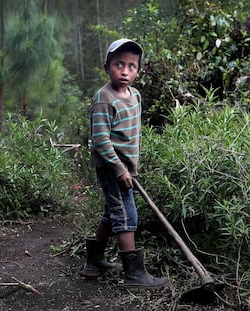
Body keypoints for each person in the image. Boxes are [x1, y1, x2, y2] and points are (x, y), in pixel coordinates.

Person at [80, 38, 168, 290]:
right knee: (126, 214)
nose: (125, 71)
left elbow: (133, 133)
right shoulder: (104, 99)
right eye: (119, 64)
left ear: (138, 70)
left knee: (112, 211)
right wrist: (119, 168)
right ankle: (134, 275)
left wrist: (131, 165)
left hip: (126, 166)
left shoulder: (135, 95)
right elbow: (100, 140)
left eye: (132, 66)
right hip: (111, 167)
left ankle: (94, 262)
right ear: (106, 67)